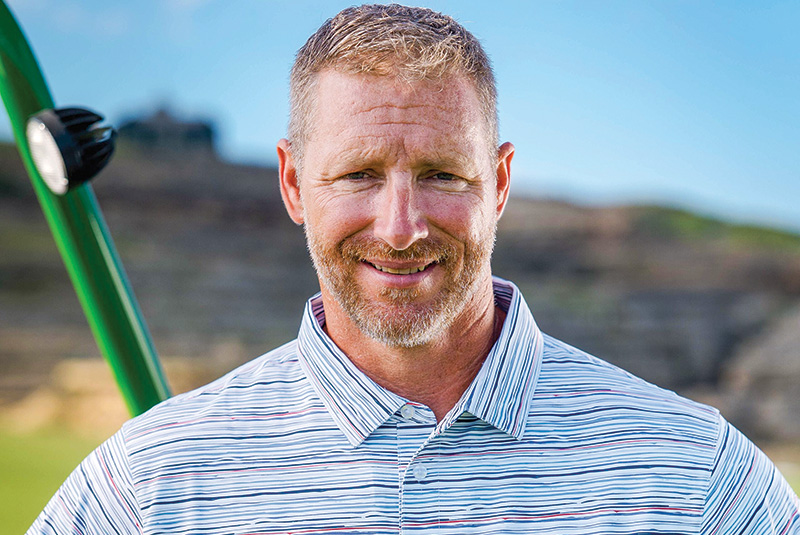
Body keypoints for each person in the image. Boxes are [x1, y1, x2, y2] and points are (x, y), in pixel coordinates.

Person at [29, 4, 800, 534]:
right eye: (358, 174)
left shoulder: (698, 480)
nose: (400, 227)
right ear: (293, 183)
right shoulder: (153, 483)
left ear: (500, 183)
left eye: (442, 174)